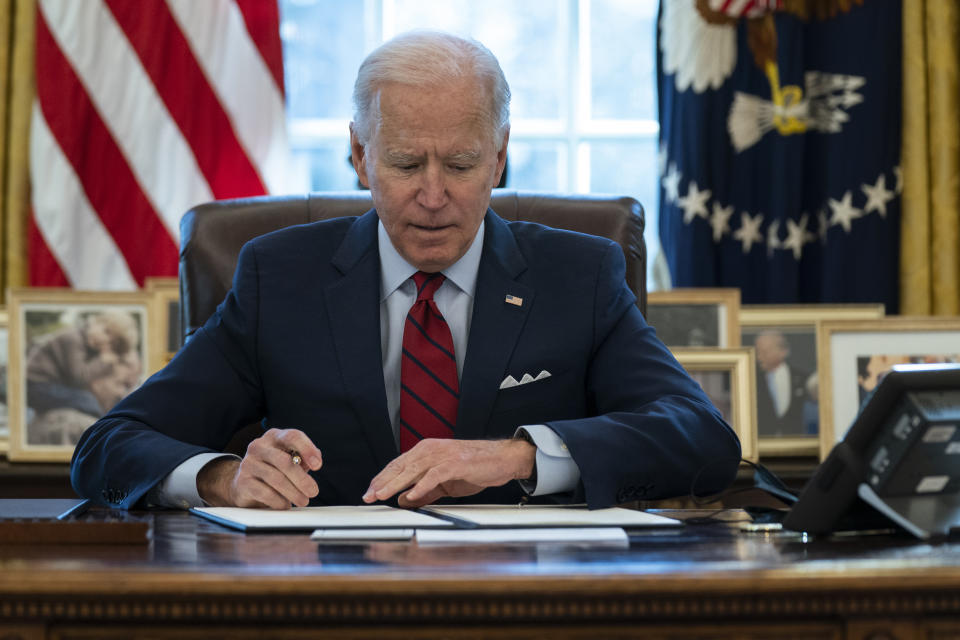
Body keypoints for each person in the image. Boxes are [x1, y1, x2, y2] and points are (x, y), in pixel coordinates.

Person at [70, 30, 741, 511]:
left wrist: (520, 456)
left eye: (459, 164)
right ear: (359, 157)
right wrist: (222, 477)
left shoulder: (580, 274)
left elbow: (702, 439)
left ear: (499, 157)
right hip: (332, 605)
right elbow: (110, 446)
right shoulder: (281, 279)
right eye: (403, 163)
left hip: (531, 602)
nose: (432, 195)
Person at [753, 330, 812, 437]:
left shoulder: (803, 378)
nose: (759, 357)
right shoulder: (752, 380)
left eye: (765, 352)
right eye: (758, 352)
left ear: (783, 351)